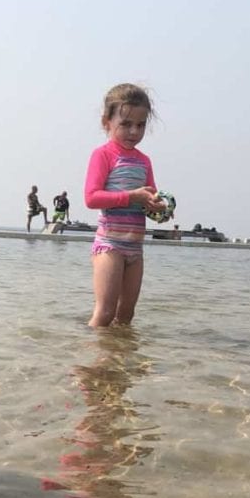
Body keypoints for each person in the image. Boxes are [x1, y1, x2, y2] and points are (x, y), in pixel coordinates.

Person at [84, 83, 165, 328]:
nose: (133, 131)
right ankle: (91, 353)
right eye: (126, 124)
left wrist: (158, 208)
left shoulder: (144, 161)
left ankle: (120, 353)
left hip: (135, 248)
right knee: (105, 313)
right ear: (106, 122)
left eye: (140, 125)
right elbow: (91, 198)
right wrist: (131, 196)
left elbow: (149, 198)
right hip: (110, 244)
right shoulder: (103, 155)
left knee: (126, 315)